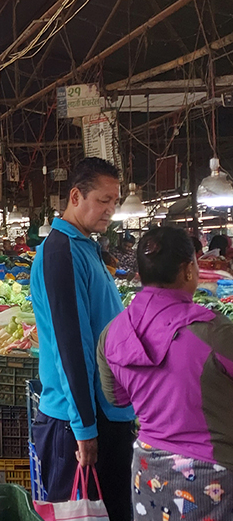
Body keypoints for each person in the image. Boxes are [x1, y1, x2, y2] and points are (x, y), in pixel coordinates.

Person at [96, 227, 233, 521]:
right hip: (213, 475)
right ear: (187, 271)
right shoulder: (215, 333)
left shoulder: (111, 334)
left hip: (148, 470)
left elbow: (117, 398)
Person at [29, 157, 135, 521]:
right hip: (80, 422)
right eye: (103, 200)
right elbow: (71, 346)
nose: (110, 210)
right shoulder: (61, 253)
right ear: (76, 196)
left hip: (106, 411)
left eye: (114, 201)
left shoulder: (84, 247)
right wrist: (85, 429)